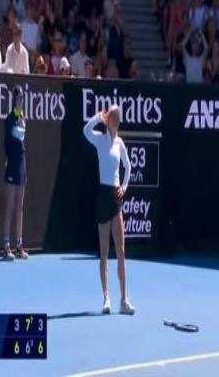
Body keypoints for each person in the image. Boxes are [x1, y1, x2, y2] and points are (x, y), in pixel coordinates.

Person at [83, 105, 135, 315]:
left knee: (121, 250)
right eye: (111, 116)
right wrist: (98, 117)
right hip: (103, 196)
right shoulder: (99, 139)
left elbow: (128, 166)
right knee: (104, 251)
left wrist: (124, 186)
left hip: (115, 196)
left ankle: (124, 300)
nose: (113, 119)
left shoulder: (119, 143)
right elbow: (85, 131)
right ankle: (106, 298)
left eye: (115, 116)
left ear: (118, 121)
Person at [3, 85, 29, 261]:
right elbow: (8, 142)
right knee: (10, 206)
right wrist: (10, 158)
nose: (20, 100)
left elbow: (21, 137)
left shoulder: (22, 117)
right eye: (18, 98)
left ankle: (19, 245)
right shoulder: (10, 119)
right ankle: (6, 246)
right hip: (12, 164)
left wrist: (21, 123)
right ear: (14, 99)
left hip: (22, 164)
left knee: (20, 207)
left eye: (22, 98)